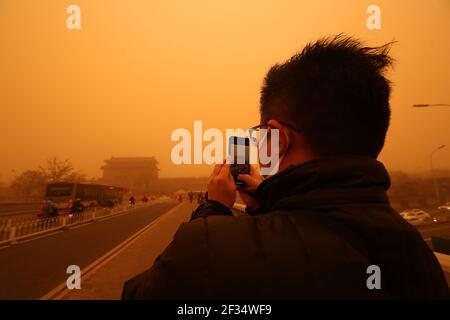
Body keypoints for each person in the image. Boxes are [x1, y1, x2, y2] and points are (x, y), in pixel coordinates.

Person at [122, 35, 449, 299]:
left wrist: (213, 210)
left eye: (262, 136)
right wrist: (270, 205)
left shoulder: (208, 246)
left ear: (278, 138)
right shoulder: (418, 255)